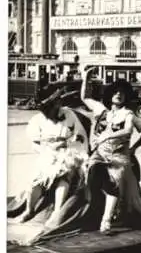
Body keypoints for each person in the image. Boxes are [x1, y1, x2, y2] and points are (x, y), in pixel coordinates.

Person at [80, 76, 141, 233]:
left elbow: (138, 131)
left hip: (118, 157)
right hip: (99, 155)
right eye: (115, 92)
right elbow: (85, 97)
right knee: (91, 176)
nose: (118, 94)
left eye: (122, 93)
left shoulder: (128, 113)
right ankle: (94, 214)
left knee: (113, 183)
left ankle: (106, 220)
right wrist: (86, 76)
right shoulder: (102, 111)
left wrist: (133, 148)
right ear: (109, 95)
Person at [11, 87, 89, 227]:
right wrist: (48, 150)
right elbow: (35, 142)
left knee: (63, 174)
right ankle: (29, 210)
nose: (59, 103)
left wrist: (66, 143)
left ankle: (57, 212)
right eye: (55, 102)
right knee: (37, 178)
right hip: (48, 153)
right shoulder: (38, 120)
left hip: (68, 152)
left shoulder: (69, 114)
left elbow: (80, 136)